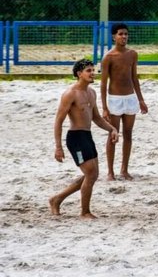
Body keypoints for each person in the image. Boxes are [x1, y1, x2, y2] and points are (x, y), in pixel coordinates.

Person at [49, 59, 119, 218]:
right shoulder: (70, 94)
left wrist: (112, 129)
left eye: (93, 70)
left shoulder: (91, 92)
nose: (92, 73)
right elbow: (58, 121)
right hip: (75, 138)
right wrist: (58, 147)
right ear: (79, 74)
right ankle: (84, 212)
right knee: (91, 173)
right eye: (88, 70)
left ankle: (57, 199)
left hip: (87, 136)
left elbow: (97, 118)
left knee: (93, 174)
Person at [100, 23, 148, 181]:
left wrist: (140, 99)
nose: (124, 37)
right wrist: (104, 107)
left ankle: (124, 170)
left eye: (126, 34)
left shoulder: (132, 54)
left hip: (130, 98)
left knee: (128, 134)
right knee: (113, 134)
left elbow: (134, 77)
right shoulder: (108, 57)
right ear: (114, 36)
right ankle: (110, 172)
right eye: (120, 34)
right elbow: (103, 83)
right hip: (114, 99)